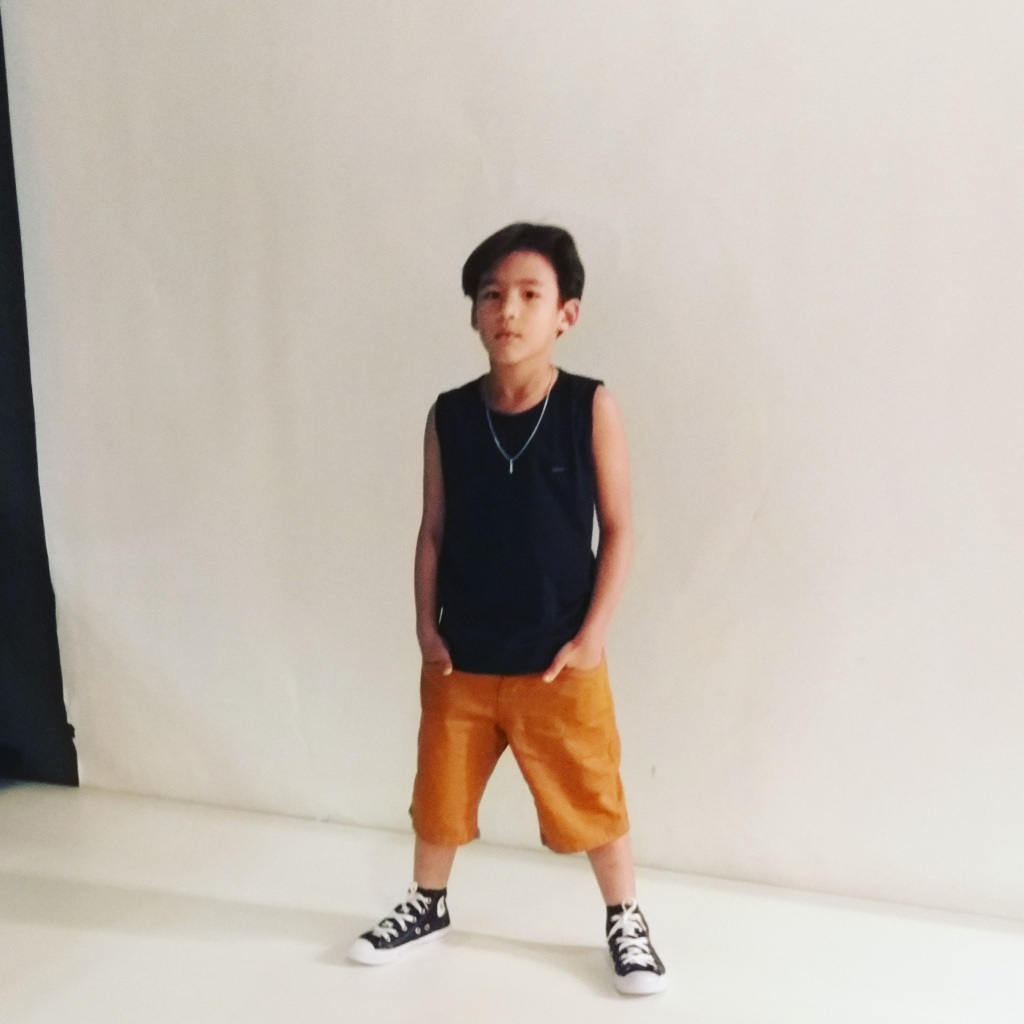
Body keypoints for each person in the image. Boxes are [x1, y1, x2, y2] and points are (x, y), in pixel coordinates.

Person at [348, 223, 667, 995]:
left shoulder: (589, 406)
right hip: (461, 656)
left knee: (593, 794)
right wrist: (426, 631)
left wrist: (591, 639)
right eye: (491, 295)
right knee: (438, 794)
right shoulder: (450, 415)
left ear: (566, 314)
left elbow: (621, 527)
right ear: (473, 313)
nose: (508, 311)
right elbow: (432, 530)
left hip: (558, 659)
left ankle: (626, 916)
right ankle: (427, 902)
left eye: (529, 294)